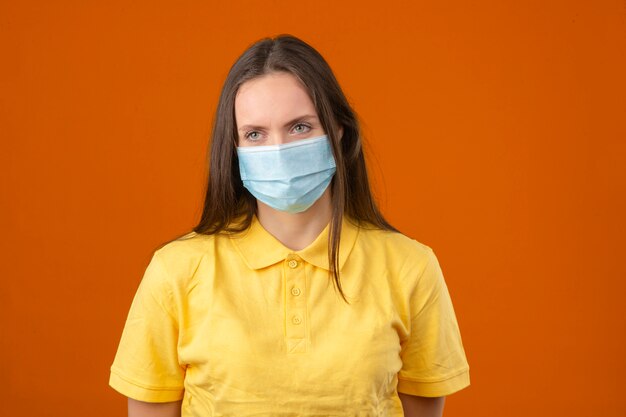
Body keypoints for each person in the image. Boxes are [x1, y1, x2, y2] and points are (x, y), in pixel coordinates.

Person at [109, 34, 470, 417]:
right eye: (255, 134)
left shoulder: (411, 267)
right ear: (233, 148)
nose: (278, 150)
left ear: (338, 130)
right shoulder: (175, 270)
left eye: (300, 127)